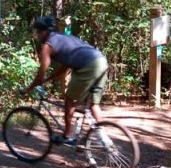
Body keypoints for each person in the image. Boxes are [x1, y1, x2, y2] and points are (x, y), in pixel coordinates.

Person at [21, 16, 108, 145]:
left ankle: (67, 136)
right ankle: (105, 139)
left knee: (69, 100)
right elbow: (65, 66)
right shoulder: (63, 38)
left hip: (88, 66)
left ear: (43, 32)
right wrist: (48, 79)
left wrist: (29, 88)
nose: (37, 35)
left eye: (38, 32)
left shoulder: (47, 46)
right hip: (101, 61)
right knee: (93, 104)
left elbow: (41, 72)